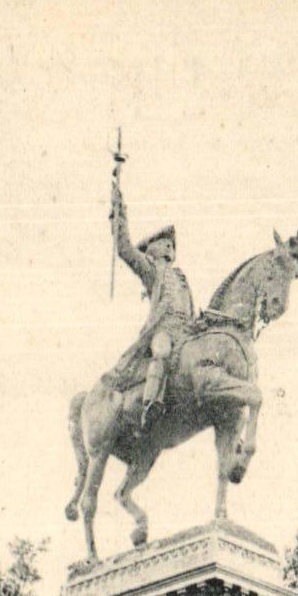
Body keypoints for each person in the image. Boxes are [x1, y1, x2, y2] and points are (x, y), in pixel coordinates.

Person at [104, 182, 195, 428]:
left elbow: (190, 308)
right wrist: (119, 212)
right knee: (162, 350)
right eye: (162, 240)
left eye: (171, 243)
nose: (169, 245)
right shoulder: (152, 270)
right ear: (150, 249)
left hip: (187, 331)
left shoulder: (181, 277)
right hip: (163, 329)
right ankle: (150, 406)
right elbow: (124, 248)